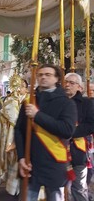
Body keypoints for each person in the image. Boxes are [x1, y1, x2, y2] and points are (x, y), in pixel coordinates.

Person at [15, 64, 77, 200]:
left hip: (54, 162)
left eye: (48, 74)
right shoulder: (28, 101)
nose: (43, 77)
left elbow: (67, 130)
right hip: (30, 163)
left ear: (57, 79)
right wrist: (21, 157)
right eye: (40, 74)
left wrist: (37, 116)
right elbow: (19, 130)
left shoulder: (66, 103)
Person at [0, 76, 28, 196]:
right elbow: (14, 119)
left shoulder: (27, 100)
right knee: (15, 165)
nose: (20, 89)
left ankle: (21, 191)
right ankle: (17, 192)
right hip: (12, 137)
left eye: (22, 87)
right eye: (18, 86)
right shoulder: (10, 101)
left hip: (25, 139)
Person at [64, 73, 94, 201]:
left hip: (78, 150)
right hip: (57, 149)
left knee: (79, 187)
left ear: (79, 87)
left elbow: (91, 124)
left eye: (71, 83)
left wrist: (71, 132)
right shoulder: (58, 101)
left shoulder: (86, 103)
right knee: (59, 188)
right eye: (66, 82)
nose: (67, 85)